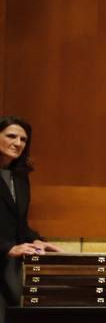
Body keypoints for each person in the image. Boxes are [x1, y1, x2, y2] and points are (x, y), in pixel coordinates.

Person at [0, 117, 59, 310]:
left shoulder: (20, 177)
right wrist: (6, 248)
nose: (17, 143)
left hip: (9, 268)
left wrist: (36, 240)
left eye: (23, 139)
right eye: (11, 136)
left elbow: (18, 222)